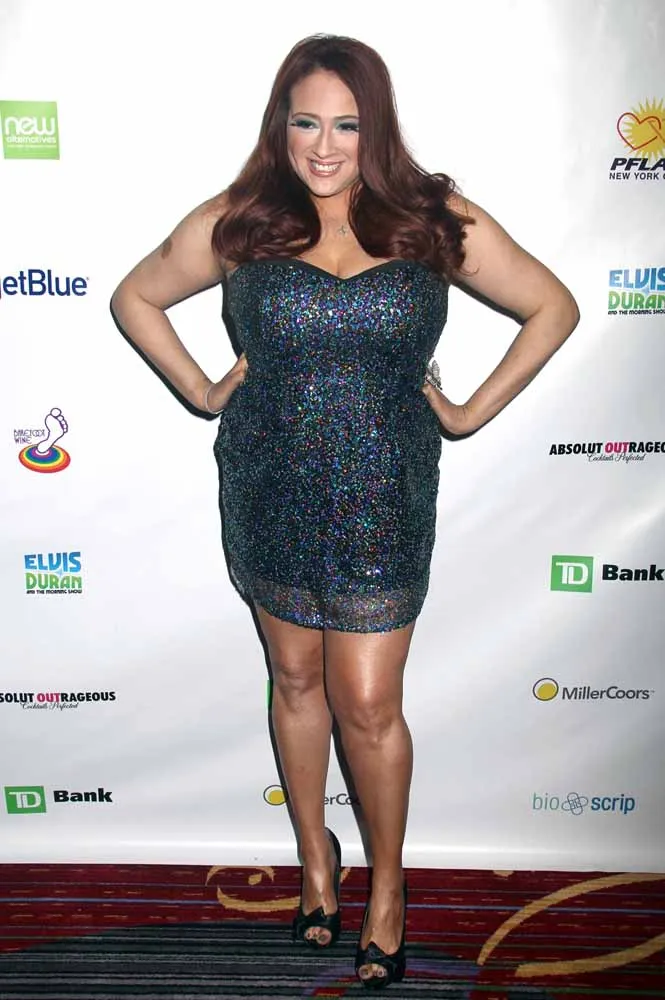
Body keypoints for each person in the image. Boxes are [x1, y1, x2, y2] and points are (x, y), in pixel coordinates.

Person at [111, 33, 579, 989]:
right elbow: (135, 298)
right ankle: (315, 862)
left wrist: (464, 413)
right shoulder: (241, 221)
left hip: (383, 499)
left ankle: (388, 888)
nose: (324, 146)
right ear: (280, 127)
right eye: (306, 123)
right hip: (269, 484)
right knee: (294, 680)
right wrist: (203, 390)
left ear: (377, 129)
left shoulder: (431, 219)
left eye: (347, 125)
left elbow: (552, 307)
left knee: (367, 704)